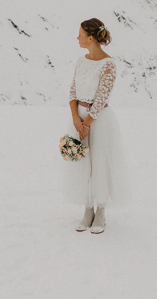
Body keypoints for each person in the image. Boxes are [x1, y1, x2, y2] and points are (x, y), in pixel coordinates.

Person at [63, 18, 130, 234]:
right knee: (82, 163)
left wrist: (87, 123)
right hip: (79, 117)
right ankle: (87, 209)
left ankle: (100, 211)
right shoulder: (81, 61)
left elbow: (102, 97)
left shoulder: (108, 64)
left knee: (99, 162)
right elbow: (73, 90)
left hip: (98, 119)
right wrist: (76, 118)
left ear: (91, 38)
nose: (78, 38)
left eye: (80, 34)